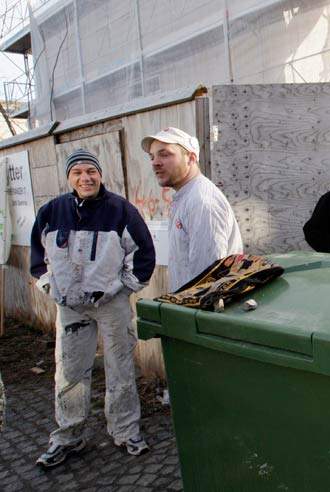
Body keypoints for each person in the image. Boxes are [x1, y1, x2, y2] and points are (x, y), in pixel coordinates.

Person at [30, 149, 156, 467]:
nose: (85, 178)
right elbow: (37, 257)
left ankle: (125, 431)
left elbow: (143, 254)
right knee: (70, 372)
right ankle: (68, 436)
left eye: (91, 171)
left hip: (111, 305)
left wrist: (122, 289)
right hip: (70, 307)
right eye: (78, 172)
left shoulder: (120, 211)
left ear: (100, 175)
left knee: (120, 369)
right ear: (69, 177)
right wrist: (50, 287)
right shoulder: (51, 212)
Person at [143, 127, 243, 292]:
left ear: (191, 158)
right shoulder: (186, 196)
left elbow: (206, 281)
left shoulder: (201, 202)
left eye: (165, 154)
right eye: (152, 157)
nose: (155, 162)